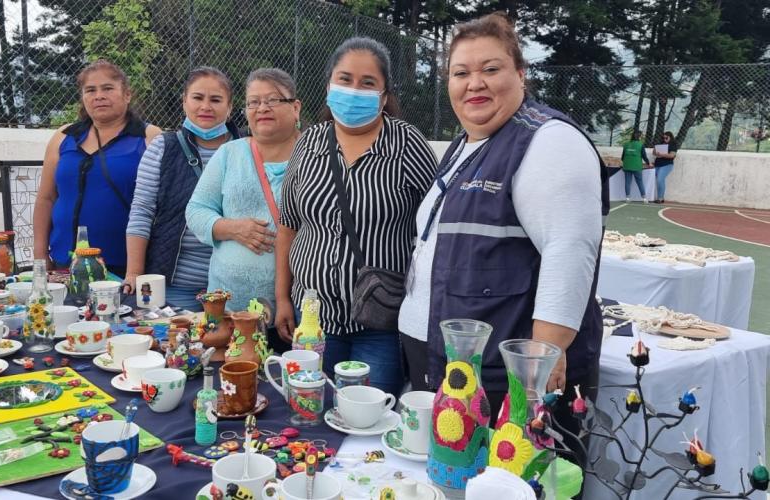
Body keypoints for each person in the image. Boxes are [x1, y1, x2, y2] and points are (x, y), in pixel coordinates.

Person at [398, 13, 608, 432]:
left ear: (521, 74)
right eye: (461, 73)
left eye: (490, 69)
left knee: (515, 467)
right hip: (453, 363)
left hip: (506, 377)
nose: (474, 83)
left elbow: (569, 251)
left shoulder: (548, 141)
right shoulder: (467, 144)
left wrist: (543, 356)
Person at [274, 37, 437, 396]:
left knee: (368, 416)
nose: (354, 91)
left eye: (367, 83)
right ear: (329, 84)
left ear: (384, 94)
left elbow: (435, 228)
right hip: (312, 317)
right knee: (310, 409)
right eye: (345, 79)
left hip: (379, 324)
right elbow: (288, 225)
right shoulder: (309, 142)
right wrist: (282, 298)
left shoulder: (407, 144)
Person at [124, 67, 240, 311]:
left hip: (233, 286)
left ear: (230, 107)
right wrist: (134, 272)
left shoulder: (248, 150)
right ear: (184, 101)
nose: (206, 106)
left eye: (216, 100)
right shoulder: (163, 148)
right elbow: (142, 211)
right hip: (175, 286)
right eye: (198, 97)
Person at [186, 68, 301, 315]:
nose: (262, 108)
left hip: (300, 306)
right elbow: (196, 210)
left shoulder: (316, 156)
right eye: (253, 102)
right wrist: (232, 228)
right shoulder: (230, 154)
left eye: (273, 100)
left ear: (295, 108)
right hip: (228, 308)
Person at [33, 60, 162, 277]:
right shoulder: (64, 137)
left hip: (127, 268)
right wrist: (40, 255)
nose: (99, 96)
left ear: (127, 95)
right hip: (65, 262)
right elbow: (46, 198)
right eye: (90, 90)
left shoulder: (148, 137)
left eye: (108, 88)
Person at [621, 130, 651, 203]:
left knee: (627, 182)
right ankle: (644, 198)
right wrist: (648, 163)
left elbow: (622, 157)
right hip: (636, 166)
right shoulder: (641, 145)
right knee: (639, 182)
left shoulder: (626, 144)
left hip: (627, 165)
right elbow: (644, 156)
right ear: (639, 137)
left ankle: (627, 198)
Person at [653, 131, 678, 203]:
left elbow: (672, 155)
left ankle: (660, 198)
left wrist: (662, 154)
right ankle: (660, 197)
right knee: (660, 180)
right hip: (658, 164)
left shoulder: (673, 145)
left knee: (659, 179)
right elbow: (653, 153)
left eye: (666, 138)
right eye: (663, 138)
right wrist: (655, 150)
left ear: (670, 137)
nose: (664, 139)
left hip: (667, 164)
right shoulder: (661, 143)